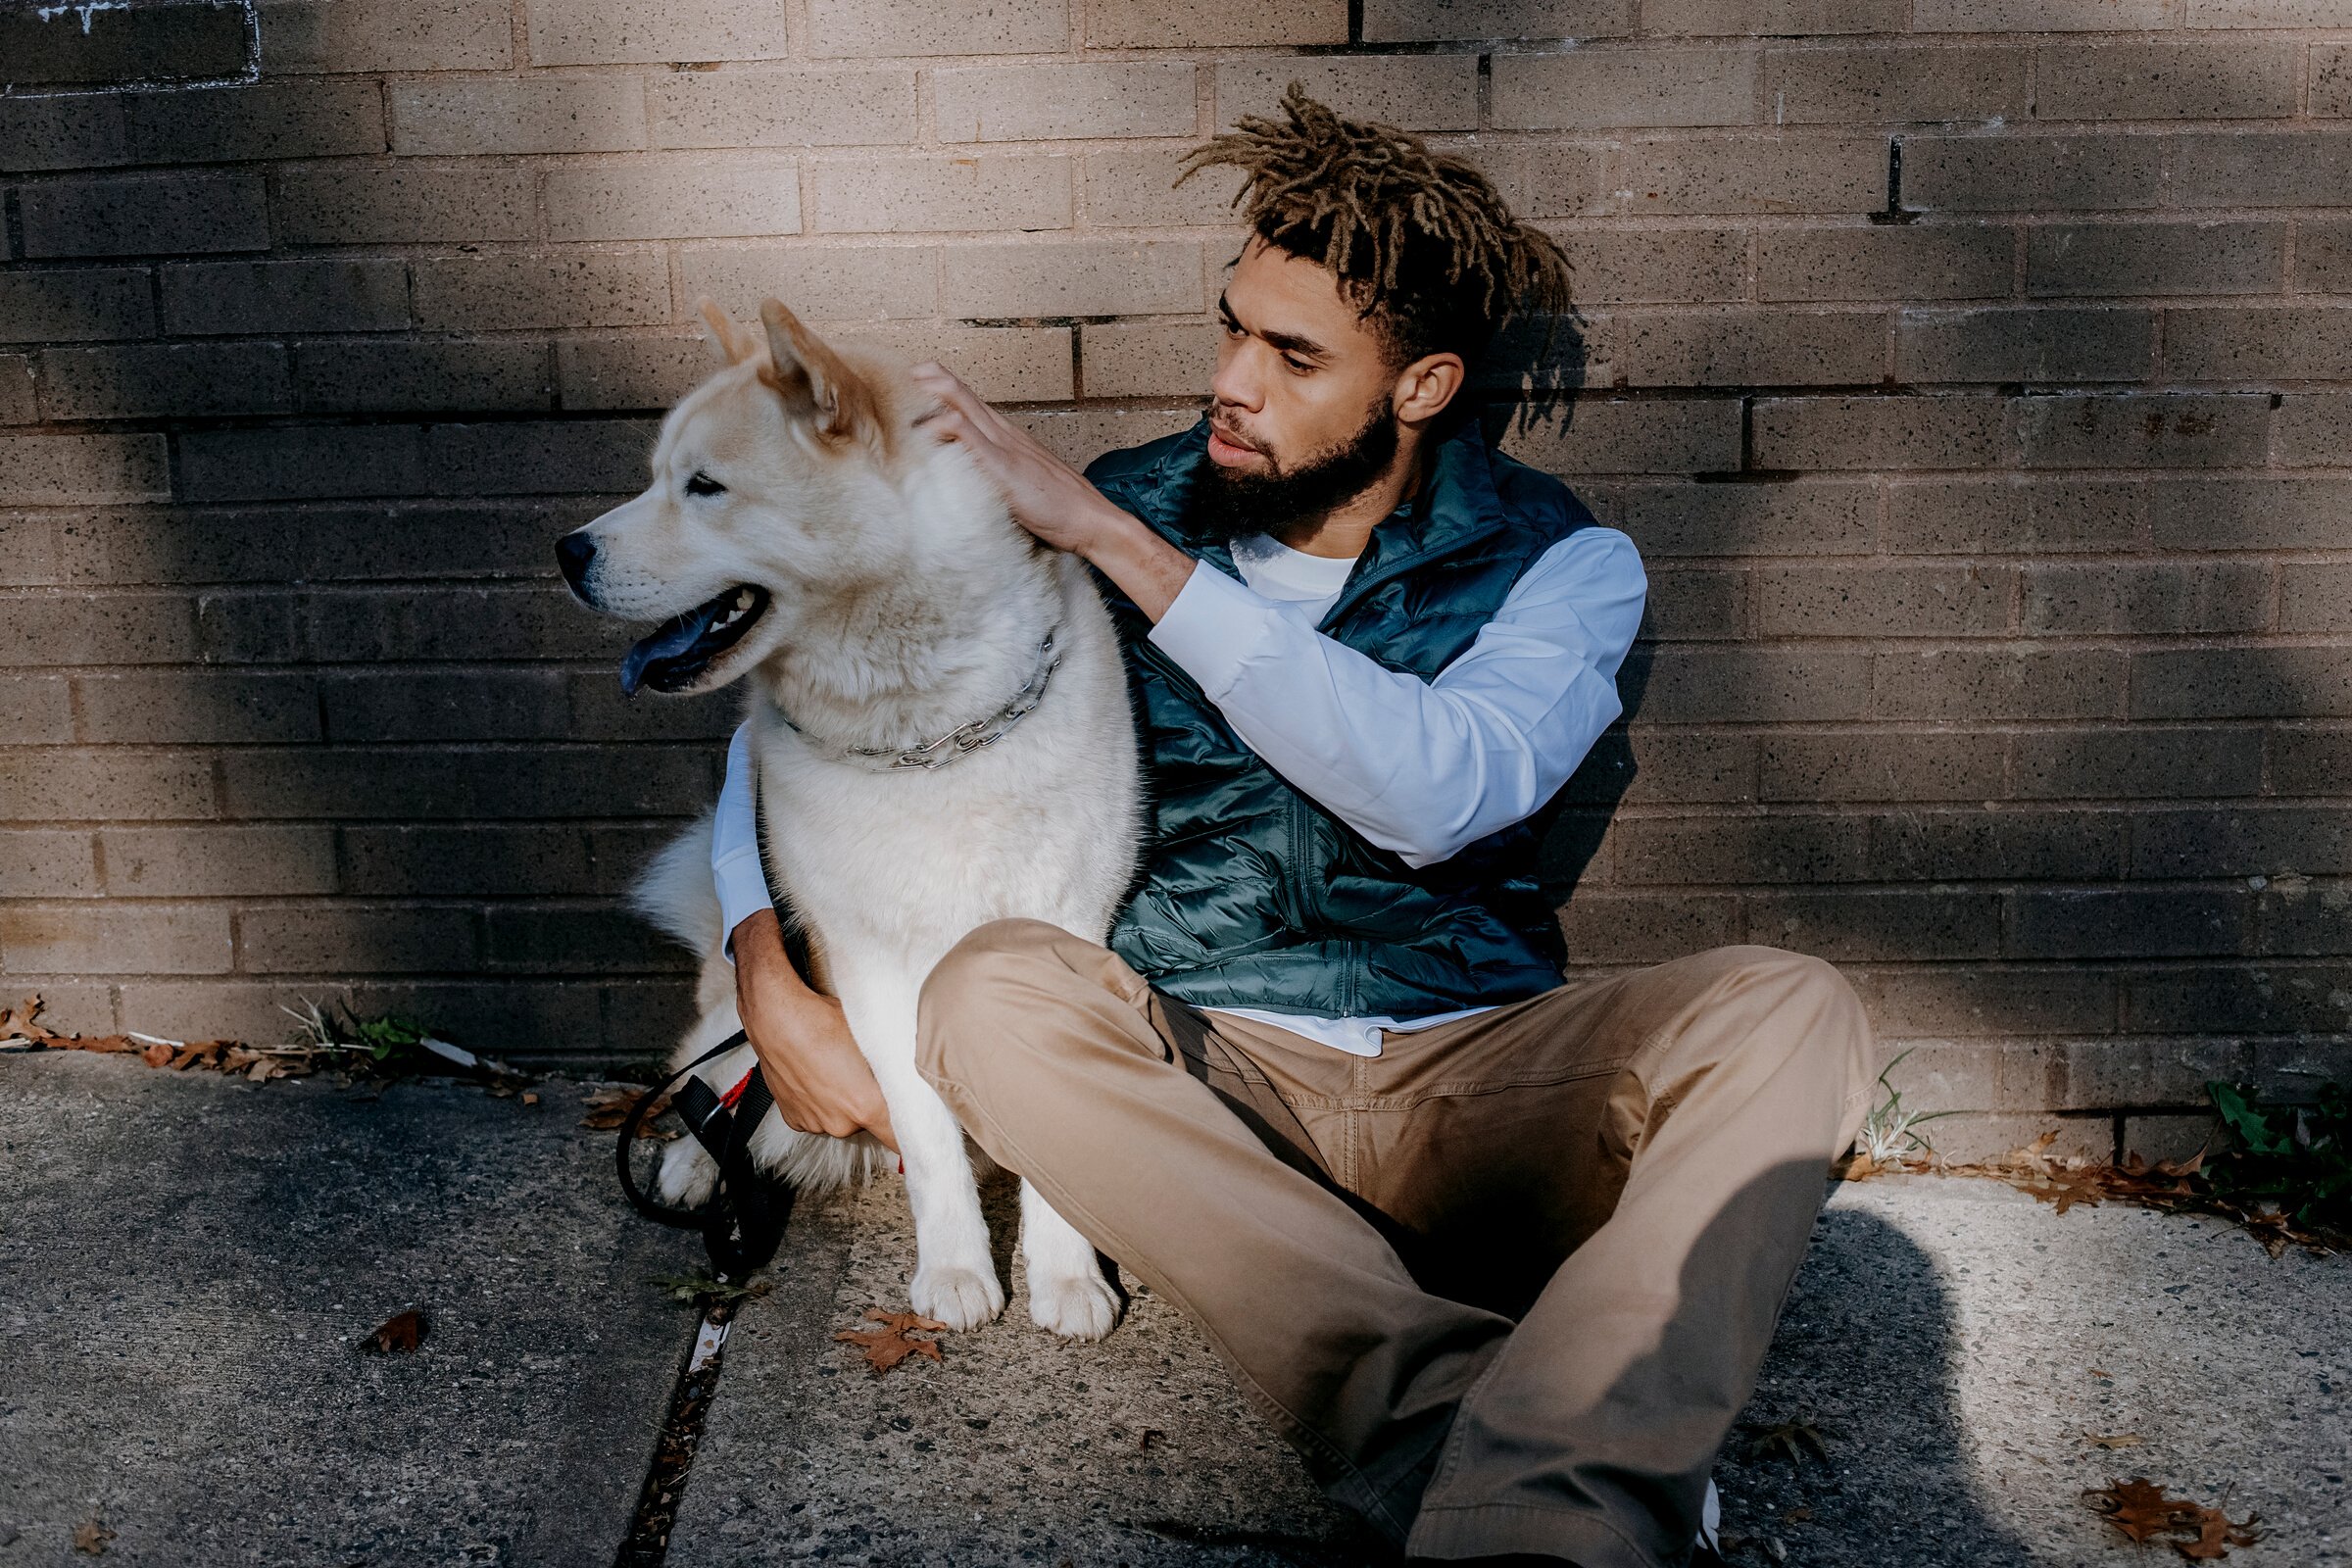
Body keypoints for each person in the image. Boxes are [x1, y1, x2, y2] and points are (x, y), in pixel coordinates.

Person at [706, 87, 1877, 1568]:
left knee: (1790, 1007)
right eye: (1231, 329)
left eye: (1293, 354)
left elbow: (1440, 789)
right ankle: (1542, 1489)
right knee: (988, 989)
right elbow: (824, 694)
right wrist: (764, 953)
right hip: (1197, 1079)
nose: (1231, 384)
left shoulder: (1565, 565)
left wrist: (1118, 551)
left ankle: (1476, 1449)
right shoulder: (1109, 507)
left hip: (1474, 1075)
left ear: (1424, 386)